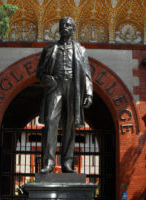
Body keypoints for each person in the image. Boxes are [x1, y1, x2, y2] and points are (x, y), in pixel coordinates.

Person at [36, 17, 93, 173]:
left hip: (73, 87)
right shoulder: (49, 49)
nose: (64, 27)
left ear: (73, 29)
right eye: (62, 25)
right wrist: (49, 80)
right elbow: (39, 73)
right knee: (51, 122)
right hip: (55, 87)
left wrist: (88, 92)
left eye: (68, 25)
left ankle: (67, 163)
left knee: (70, 125)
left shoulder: (81, 50)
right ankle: (48, 162)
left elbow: (87, 73)